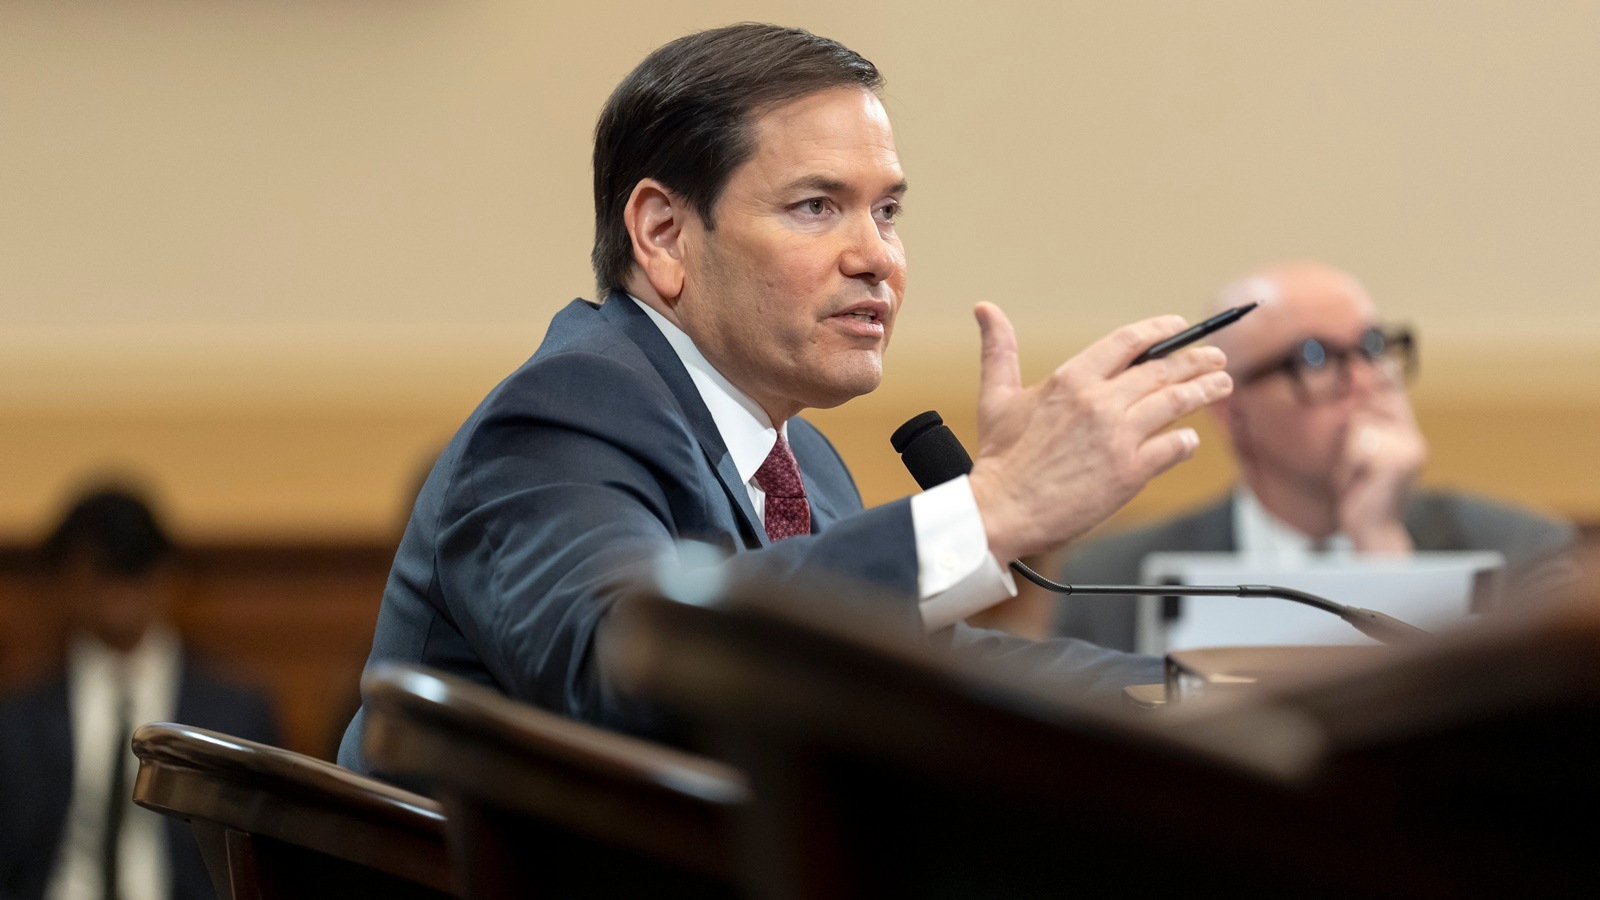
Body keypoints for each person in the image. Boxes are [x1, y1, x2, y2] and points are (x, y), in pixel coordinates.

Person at [338, 23, 1237, 773]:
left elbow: (933, 667)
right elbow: (625, 663)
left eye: (887, 211)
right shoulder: (565, 412)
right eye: (817, 206)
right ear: (662, 234)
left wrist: (1197, 694)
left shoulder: (799, 460)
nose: (876, 256)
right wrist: (993, 508)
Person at [1054, 261, 1577, 651]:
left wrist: (1380, 542)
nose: (1366, 381)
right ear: (1233, 413)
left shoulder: (1524, 556)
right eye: (1315, 358)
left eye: (1373, 346)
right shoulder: (1113, 583)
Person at [0, 484, 280, 900]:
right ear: (66, 579)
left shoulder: (234, 715)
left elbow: (269, 863)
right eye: (100, 570)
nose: (118, 591)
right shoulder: (17, 720)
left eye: (133, 568)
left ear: (166, 575)